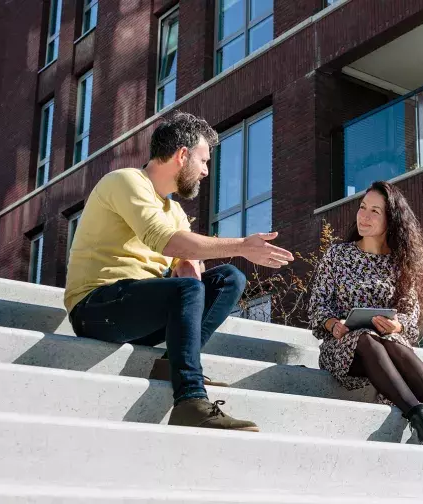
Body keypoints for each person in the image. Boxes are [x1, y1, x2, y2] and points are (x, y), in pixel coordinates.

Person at [64, 111, 294, 432]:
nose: (206, 171)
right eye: (202, 160)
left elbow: (186, 267)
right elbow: (164, 239)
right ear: (182, 155)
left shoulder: (176, 213)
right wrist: (242, 244)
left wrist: (192, 267)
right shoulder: (126, 181)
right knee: (188, 289)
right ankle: (189, 399)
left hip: (139, 312)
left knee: (230, 277)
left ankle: (173, 363)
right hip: (96, 307)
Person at [308, 181, 423, 448]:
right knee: (364, 336)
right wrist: (333, 325)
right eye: (362, 207)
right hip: (342, 350)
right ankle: (419, 415)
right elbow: (317, 306)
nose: (364, 216)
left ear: (392, 219)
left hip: (388, 349)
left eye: (375, 211)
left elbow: (410, 316)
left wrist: (396, 326)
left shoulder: (401, 263)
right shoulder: (336, 256)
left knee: (391, 341)